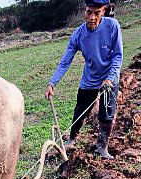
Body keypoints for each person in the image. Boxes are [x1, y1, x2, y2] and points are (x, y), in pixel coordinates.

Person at [45, 0, 123, 159]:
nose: (92, 17)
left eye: (97, 13)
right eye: (89, 12)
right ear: (84, 10)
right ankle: (72, 140)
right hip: (90, 79)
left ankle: (102, 147)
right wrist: (52, 83)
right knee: (80, 111)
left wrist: (110, 78)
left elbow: (118, 56)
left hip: (109, 78)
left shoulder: (113, 26)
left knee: (107, 112)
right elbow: (65, 61)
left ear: (103, 10)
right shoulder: (78, 34)